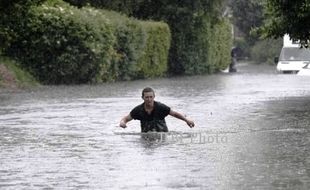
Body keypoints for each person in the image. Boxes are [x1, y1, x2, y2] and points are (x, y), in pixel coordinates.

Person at [119, 87, 195, 132]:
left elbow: (174, 114)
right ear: (142, 98)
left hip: (163, 135)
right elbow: (126, 118)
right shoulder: (138, 110)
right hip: (146, 137)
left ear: (154, 97)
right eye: (147, 97)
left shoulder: (160, 107)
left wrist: (186, 120)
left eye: (151, 97)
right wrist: (122, 122)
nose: (149, 99)